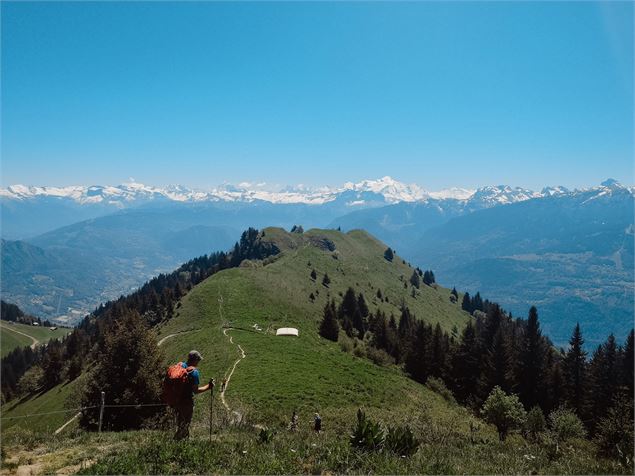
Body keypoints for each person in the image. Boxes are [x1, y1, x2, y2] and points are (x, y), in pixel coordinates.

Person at [174, 350, 214, 440]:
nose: (198, 363)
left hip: (176, 400)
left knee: (180, 423)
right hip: (187, 402)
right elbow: (195, 391)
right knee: (184, 425)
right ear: (195, 360)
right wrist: (209, 386)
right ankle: (175, 444)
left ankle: (184, 441)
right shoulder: (193, 372)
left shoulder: (180, 366)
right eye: (198, 360)